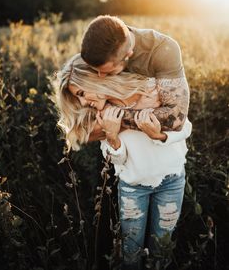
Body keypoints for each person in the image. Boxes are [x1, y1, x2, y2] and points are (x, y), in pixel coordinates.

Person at [54, 54, 192, 269]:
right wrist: (112, 137)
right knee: (130, 251)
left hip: (172, 182)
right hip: (133, 188)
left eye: (81, 93)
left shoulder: (150, 89)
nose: (82, 102)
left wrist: (159, 136)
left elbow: (186, 126)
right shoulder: (102, 116)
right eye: (78, 98)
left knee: (162, 250)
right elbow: (117, 160)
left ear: (95, 78)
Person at [81, 15, 190, 142]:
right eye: (95, 70)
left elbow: (176, 119)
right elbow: (81, 132)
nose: (99, 76)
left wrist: (109, 116)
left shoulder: (162, 49)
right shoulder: (95, 51)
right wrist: (140, 109)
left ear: (128, 55)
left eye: (108, 72)